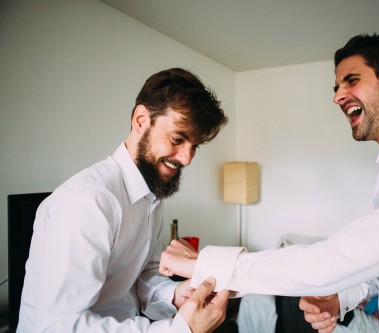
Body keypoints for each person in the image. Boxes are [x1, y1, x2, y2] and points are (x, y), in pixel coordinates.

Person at [160, 34, 379, 333]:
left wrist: (205, 264)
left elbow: (338, 257)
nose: (338, 96)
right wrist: (344, 296)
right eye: (337, 87)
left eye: (351, 81)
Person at [17, 68, 229, 333]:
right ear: (141, 120)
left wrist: (175, 293)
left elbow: (140, 275)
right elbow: (58, 326)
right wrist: (180, 329)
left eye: (194, 146)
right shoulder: (89, 201)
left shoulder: (152, 193)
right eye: (177, 139)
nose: (187, 158)